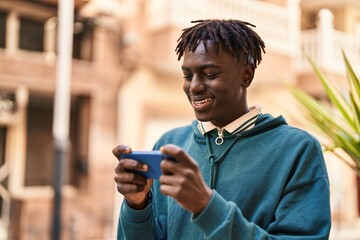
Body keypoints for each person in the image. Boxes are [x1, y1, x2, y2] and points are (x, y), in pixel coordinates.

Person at [113, 19, 331, 239]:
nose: (195, 86)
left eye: (209, 74)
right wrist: (137, 205)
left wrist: (207, 207)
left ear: (246, 75)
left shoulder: (297, 150)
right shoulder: (170, 143)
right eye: (188, 76)